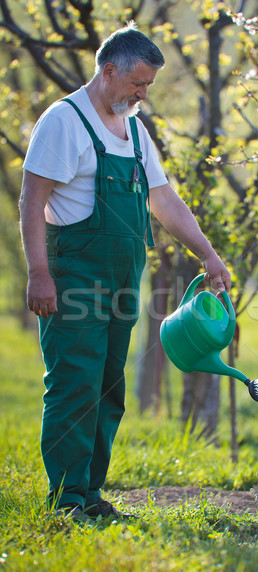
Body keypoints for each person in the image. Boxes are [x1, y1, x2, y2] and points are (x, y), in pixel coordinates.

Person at [19, 22, 231, 522]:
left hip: (120, 281)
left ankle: (91, 495)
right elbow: (32, 200)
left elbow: (163, 198)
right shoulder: (63, 121)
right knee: (75, 383)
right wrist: (38, 273)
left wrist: (208, 253)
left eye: (149, 86)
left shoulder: (134, 126)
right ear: (108, 70)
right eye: (138, 83)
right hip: (71, 277)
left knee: (109, 386)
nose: (143, 94)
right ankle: (67, 502)